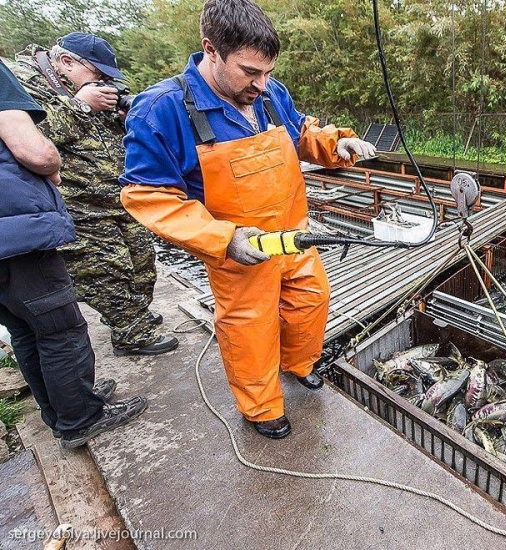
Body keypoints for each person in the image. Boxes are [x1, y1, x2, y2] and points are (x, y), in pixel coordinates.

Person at [119, 0, 376, 439]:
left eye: (268, 72)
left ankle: (297, 365)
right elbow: (149, 195)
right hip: (238, 247)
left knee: (310, 302)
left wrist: (336, 146)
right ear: (211, 50)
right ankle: (260, 407)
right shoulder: (161, 109)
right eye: (249, 72)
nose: (262, 84)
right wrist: (225, 239)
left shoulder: (270, 93)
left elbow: (299, 134)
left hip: (293, 233)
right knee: (250, 328)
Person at [0, 60, 147, 448]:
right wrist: (50, 161)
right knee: (60, 328)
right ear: (67, 63)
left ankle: (63, 409)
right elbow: (38, 153)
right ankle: (81, 418)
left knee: (25, 329)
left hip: (6, 238)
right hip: (17, 233)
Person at [6, 33, 178, 356]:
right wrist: (81, 104)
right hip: (79, 203)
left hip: (120, 193)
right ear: (67, 62)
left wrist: (124, 118)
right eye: (97, 74)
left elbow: (109, 137)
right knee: (107, 270)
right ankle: (131, 333)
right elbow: (33, 137)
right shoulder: (24, 82)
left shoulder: (90, 87)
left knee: (142, 259)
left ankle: (134, 314)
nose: (102, 82)